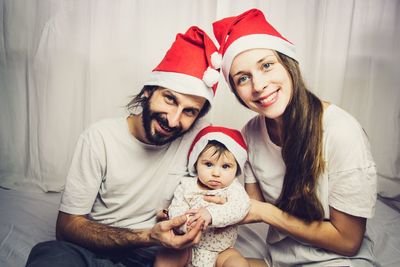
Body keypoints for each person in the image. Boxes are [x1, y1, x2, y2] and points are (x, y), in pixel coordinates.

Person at [25, 26, 222, 267]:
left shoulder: (197, 142)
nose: (173, 120)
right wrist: (146, 235)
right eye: (170, 99)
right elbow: (66, 228)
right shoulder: (99, 138)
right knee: (50, 257)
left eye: (189, 111)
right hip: (91, 249)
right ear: (149, 91)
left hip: (148, 257)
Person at [212, 9, 378, 267]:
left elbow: (348, 241)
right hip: (279, 259)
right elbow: (250, 205)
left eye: (267, 66)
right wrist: (200, 205)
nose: (258, 86)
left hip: (337, 261)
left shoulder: (341, 131)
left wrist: (266, 213)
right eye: (243, 78)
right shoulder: (251, 134)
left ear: (289, 65)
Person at [154, 126, 251, 267]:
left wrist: (211, 214)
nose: (216, 173)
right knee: (164, 257)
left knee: (238, 264)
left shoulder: (234, 189)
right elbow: (176, 208)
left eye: (225, 166)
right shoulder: (187, 185)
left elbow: (241, 207)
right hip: (188, 247)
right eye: (209, 164)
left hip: (222, 251)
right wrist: (188, 222)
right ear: (196, 163)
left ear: (236, 169)